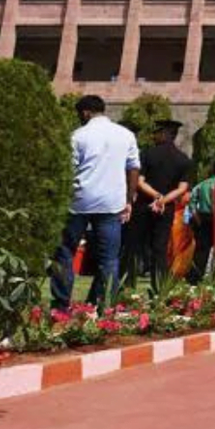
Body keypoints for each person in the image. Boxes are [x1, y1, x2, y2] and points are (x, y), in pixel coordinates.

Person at [51, 95, 141, 310]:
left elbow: (69, 170)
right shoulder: (125, 135)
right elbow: (133, 168)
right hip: (112, 202)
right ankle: (104, 307)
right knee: (109, 258)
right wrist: (129, 199)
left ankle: (61, 306)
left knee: (65, 252)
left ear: (85, 113)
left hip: (79, 201)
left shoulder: (78, 136)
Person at [124, 118, 191, 294]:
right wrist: (163, 201)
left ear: (164, 134)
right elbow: (183, 188)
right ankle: (159, 288)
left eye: (157, 133)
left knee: (133, 247)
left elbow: (139, 181)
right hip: (165, 209)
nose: (154, 136)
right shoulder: (183, 159)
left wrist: (155, 196)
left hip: (143, 206)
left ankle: (128, 286)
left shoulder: (146, 154)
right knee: (160, 249)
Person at [186, 162, 215, 284]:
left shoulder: (201, 184)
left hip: (203, 217)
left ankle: (195, 276)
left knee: (201, 249)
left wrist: (196, 218)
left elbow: (192, 202)